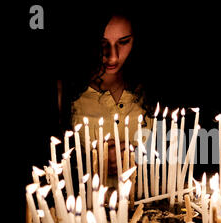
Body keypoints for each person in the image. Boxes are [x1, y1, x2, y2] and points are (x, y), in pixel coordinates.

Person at [58, 6, 154, 188]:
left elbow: (177, 150)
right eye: (102, 44)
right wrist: (93, 160)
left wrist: (138, 156)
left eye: (123, 42)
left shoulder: (152, 89)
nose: (112, 57)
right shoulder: (66, 91)